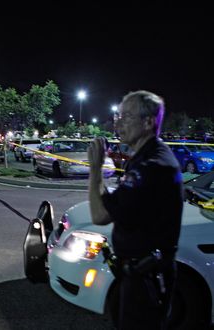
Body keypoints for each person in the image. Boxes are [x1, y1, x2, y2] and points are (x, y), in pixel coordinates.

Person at [88, 90, 183, 330]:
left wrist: (95, 169)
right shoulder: (143, 158)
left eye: (126, 116)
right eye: (118, 116)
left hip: (146, 279)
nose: (117, 122)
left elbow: (99, 215)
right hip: (135, 274)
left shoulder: (152, 166)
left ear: (148, 122)